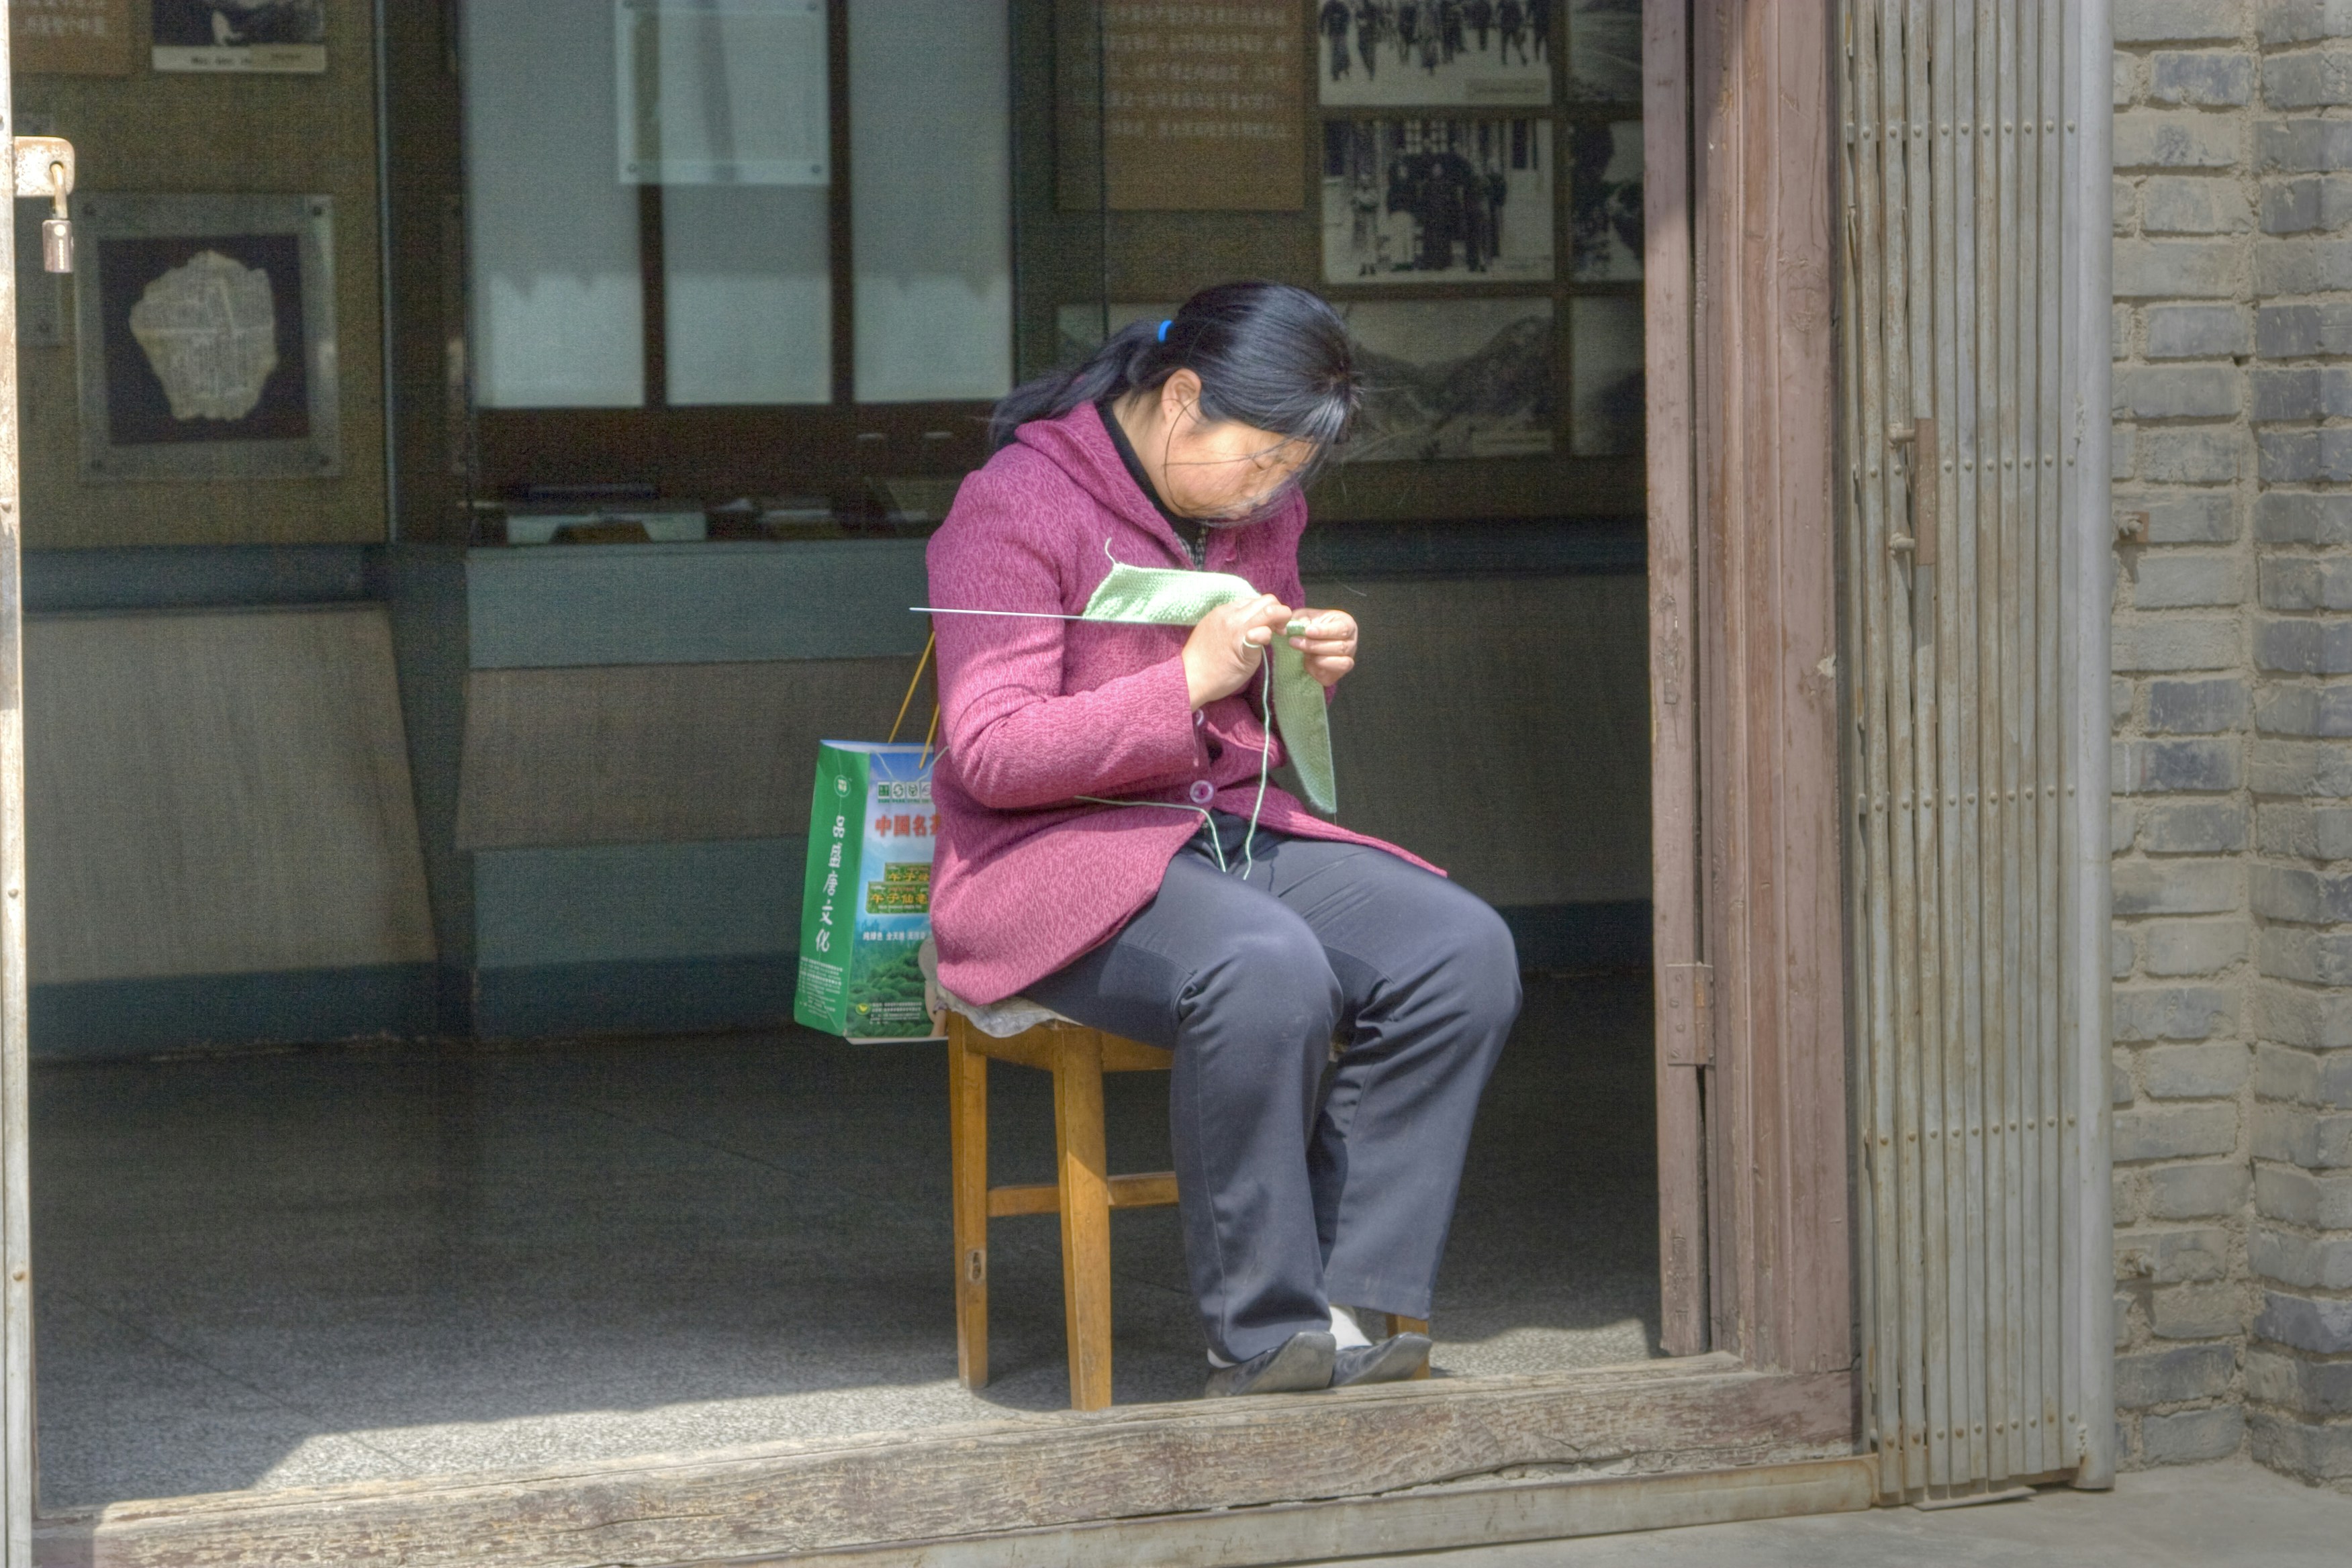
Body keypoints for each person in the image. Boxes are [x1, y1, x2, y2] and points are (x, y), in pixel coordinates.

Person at [925, 284, 1520, 1398]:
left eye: (1295, 467)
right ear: (1181, 399)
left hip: (1211, 834)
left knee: (1458, 951)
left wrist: (1301, 672)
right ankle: (1258, 1331)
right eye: (1259, 457)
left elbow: (1249, 740)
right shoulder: (1012, 502)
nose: (1275, 487)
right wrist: (1185, 679)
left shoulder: (1262, 515)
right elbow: (993, 756)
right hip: (1041, 860)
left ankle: (1347, 1297)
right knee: (1260, 962)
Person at [1321, 0, 1352, 82]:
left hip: (1339, 32)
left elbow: (1348, 17)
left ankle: (1343, 68)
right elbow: (1322, 18)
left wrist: (1342, 21)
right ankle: (1337, 73)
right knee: (1337, 52)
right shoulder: (1328, 6)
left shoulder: (1340, 5)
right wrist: (1322, 28)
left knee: (1340, 52)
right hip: (1334, 32)